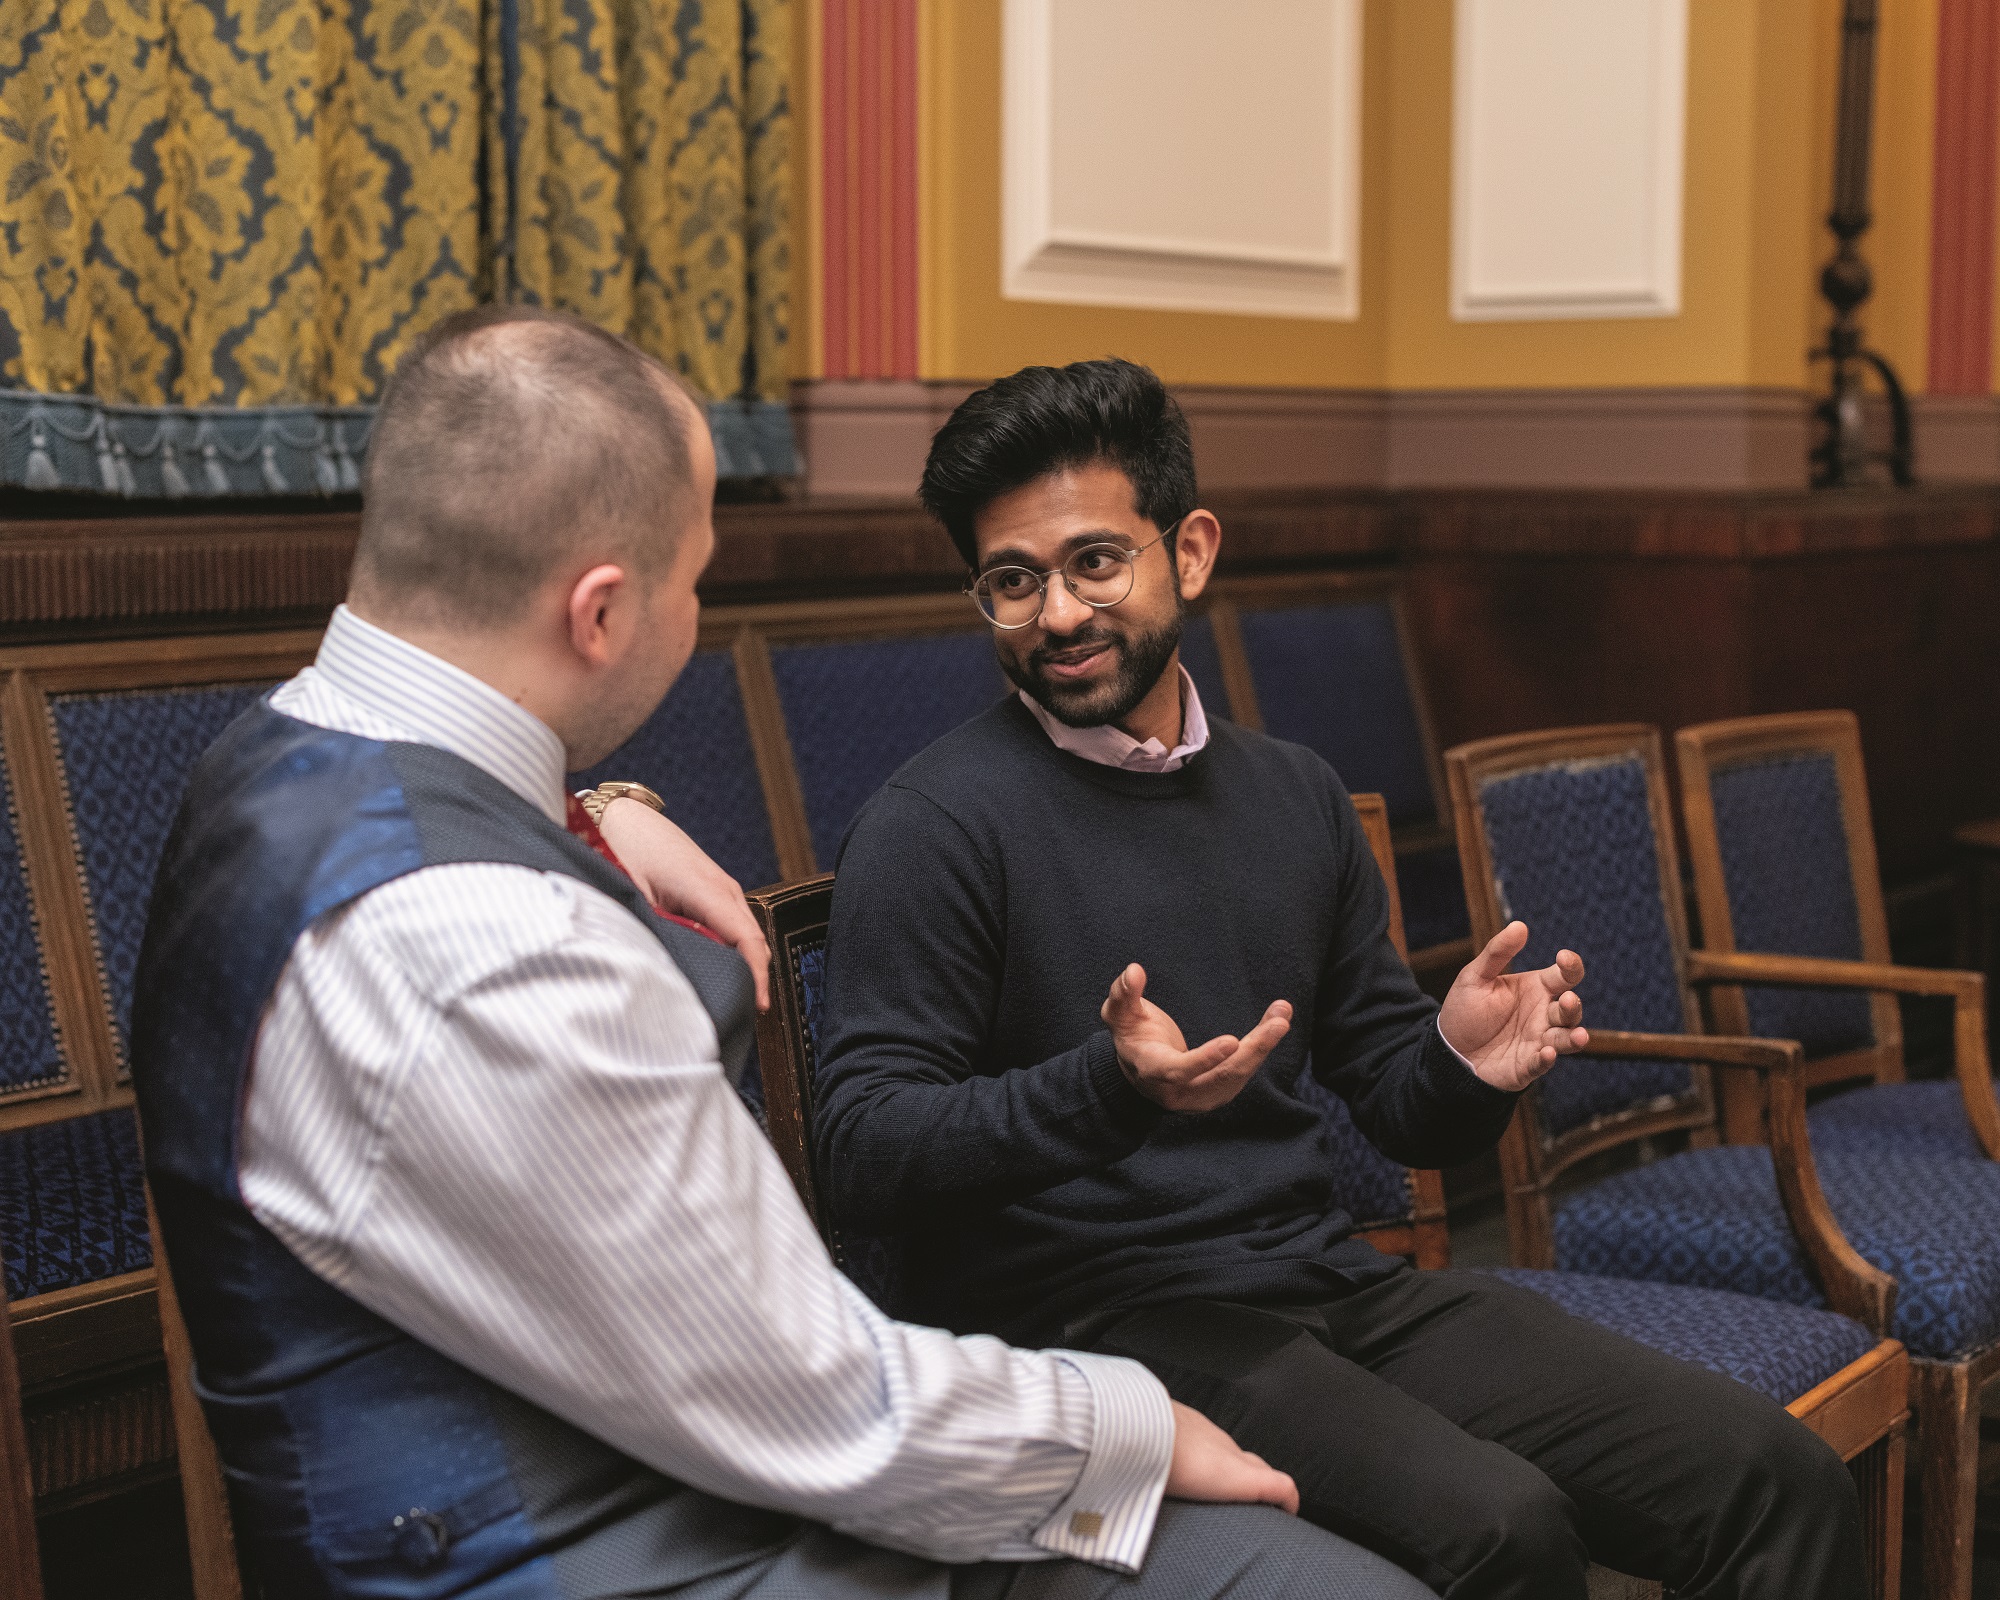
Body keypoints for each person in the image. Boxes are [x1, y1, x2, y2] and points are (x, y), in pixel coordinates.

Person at [130, 308, 1430, 1600]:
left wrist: (600, 811)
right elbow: (811, 1400)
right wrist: (1134, 1431)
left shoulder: (270, 760)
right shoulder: (496, 943)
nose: (696, 613)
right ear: (599, 612)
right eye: (694, 579)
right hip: (609, 1542)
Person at [812, 358, 1869, 1600]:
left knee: (1776, 1478)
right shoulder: (934, 821)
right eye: (1012, 580)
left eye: (1094, 561)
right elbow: (861, 1147)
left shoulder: (1290, 795)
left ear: (1188, 551)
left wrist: (1462, 1064)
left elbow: (1392, 1099)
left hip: (1322, 1280)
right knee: (1504, 1527)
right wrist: (1106, 1087)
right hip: (1097, 1325)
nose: (1056, 613)